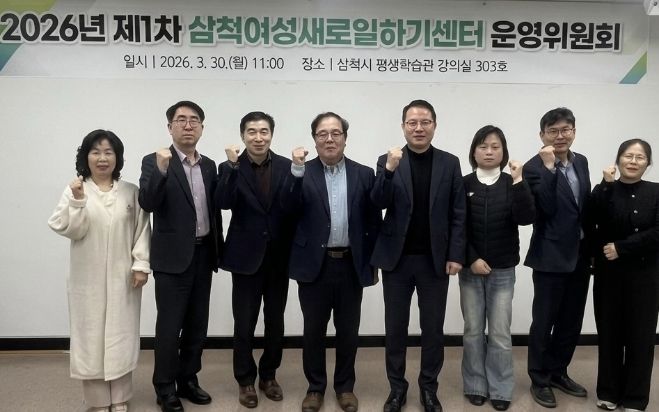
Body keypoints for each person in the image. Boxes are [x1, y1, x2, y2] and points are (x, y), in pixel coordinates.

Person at [371, 99, 466, 412]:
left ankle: (429, 388)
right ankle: (397, 389)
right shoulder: (387, 160)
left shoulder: (450, 163)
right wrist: (388, 170)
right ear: (403, 127)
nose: (419, 128)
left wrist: (455, 254)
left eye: (425, 122)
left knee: (433, 329)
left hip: (434, 261)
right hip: (397, 261)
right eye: (412, 123)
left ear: (434, 125)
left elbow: (458, 212)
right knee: (395, 328)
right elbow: (377, 202)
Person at [48, 130, 151, 412]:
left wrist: (141, 265)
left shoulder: (130, 191)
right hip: (87, 278)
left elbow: (142, 230)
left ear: (117, 157)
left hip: (123, 277)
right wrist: (78, 201)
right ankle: (97, 401)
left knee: (122, 333)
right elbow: (70, 229)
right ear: (86, 157)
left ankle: (120, 397)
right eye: (95, 152)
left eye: (108, 152)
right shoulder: (75, 189)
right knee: (90, 335)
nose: (102, 158)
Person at [285, 112, 381, 412]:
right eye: (322, 134)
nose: (329, 139)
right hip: (315, 264)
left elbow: (372, 221)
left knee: (348, 331)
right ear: (314, 139)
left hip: (350, 264)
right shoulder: (300, 172)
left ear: (345, 138)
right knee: (313, 330)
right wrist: (296, 172)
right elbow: (287, 211)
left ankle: (345, 387)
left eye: (335, 133)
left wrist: (372, 264)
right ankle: (315, 387)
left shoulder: (364, 174)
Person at [139, 101, 222, 412]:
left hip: (204, 254)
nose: (188, 125)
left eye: (194, 120)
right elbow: (148, 203)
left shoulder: (209, 165)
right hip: (172, 260)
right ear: (169, 127)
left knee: (197, 325)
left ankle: (188, 379)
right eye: (181, 120)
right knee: (169, 327)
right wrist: (162, 170)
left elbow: (215, 209)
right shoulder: (154, 161)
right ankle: (164, 387)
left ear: (201, 127)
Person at [215, 111, 296, 408]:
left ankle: (269, 375)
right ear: (243, 135)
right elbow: (222, 201)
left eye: (264, 132)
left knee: (275, 322)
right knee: (244, 323)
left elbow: (294, 206)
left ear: (271, 135)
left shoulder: (287, 166)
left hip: (278, 258)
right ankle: (245, 380)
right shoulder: (229, 166)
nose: (258, 138)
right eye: (252, 132)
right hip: (245, 258)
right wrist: (232, 168)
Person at [459, 126, 535, 411]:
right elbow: (457, 226)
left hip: (503, 271)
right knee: (473, 331)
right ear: (473, 152)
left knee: (500, 334)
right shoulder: (463, 184)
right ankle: (476, 385)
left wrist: (519, 181)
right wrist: (471, 259)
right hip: (470, 270)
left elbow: (526, 217)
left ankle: (501, 388)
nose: (489, 152)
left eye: (495, 147)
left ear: (503, 152)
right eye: (483, 146)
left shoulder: (511, 182)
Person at [523, 107, 591, 409]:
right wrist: (550, 169)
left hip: (580, 255)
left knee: (571, 321)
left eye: (565, 129)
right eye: (553, 131)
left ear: (574, 131)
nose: (560, 136)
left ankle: (558, 371)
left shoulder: (582, 162)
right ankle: (539, 379)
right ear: (542, 135)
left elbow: (583, 208)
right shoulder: (533, 168)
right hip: (549, 256)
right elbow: (546, 208)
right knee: (544, 321)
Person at [589, 139, 658, 412]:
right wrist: (606, 186)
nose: (633, 161)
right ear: (618, 159)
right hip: (609, 274)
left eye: (640, 157)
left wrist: (622, 247)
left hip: (645, 275)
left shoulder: (656, 191)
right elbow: (592, 222)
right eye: (628, 156)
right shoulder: (603, 189)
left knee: (641, 336)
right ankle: (608, 392)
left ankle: (635, 398)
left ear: (648, 163)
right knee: (609, 333)